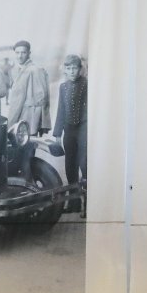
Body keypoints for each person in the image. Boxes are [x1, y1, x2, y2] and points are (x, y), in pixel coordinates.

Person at [52, 53, 88, 207]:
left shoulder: (87, 84)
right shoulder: (63, 87)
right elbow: (61, 110)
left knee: (84, 164)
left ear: (80, 69)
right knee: (70, 166)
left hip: (84, 129)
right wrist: (57, 134)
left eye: (75, 68)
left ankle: (87, 203)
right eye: (69, 68)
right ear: (65, 70)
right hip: (69, 130)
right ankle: (74, 202)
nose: (72, 71)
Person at [6, 40, 50, 133]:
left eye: (23, 52)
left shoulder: (36, 70)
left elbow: (42, 97)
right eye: (17, 53)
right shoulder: (15, 70)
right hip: (17, 114)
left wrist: (37, 121)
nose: (20, 56)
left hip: (30, 117)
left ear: (29, 53)